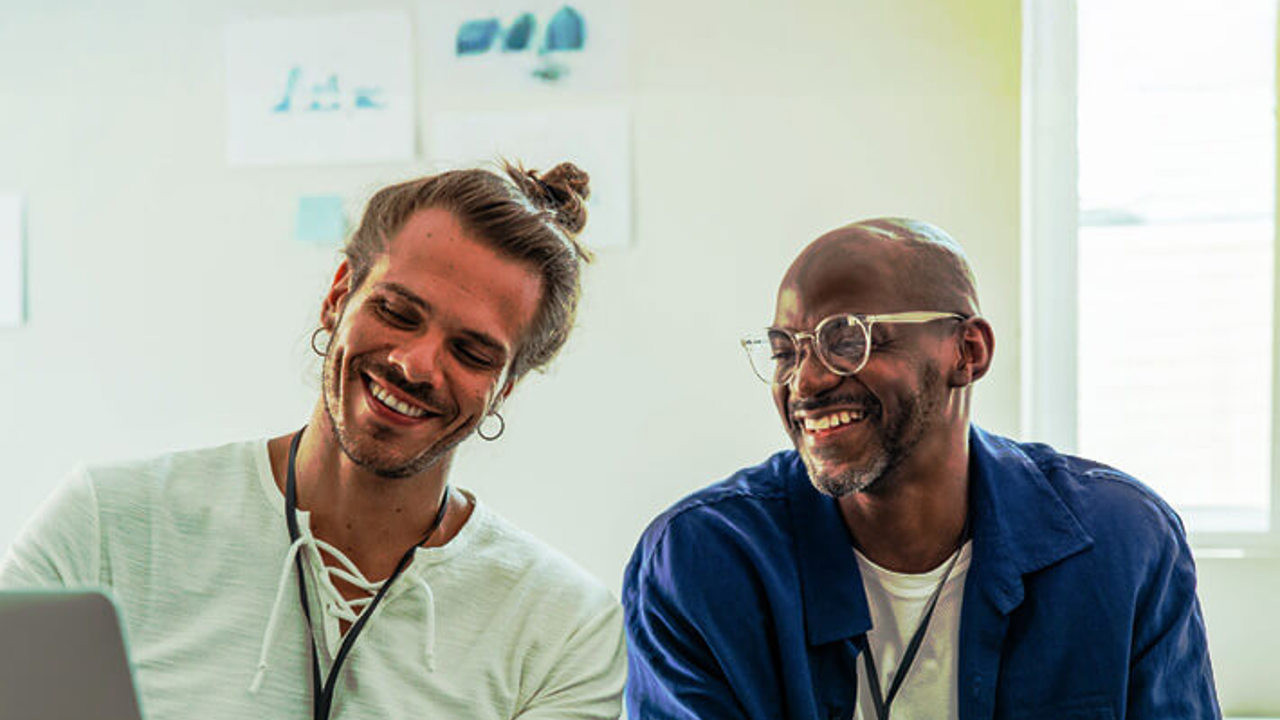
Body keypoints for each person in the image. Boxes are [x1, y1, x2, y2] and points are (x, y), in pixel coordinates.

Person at [1, 162, 626, 720]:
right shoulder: (108, 522)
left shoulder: (566, 629)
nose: (415, 364)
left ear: (505, 388)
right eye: (397, 312)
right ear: (338, 296)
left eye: (470, 351)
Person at [622, 218, 1220, 719]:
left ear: (968, 351)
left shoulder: (1122, 544)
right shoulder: (699, 562)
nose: (805, 382)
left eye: (847, 340)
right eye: (785, 352)